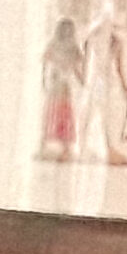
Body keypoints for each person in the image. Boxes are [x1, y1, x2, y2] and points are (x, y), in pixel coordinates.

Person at [38, 17, 86, 160]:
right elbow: (76, 67)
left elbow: (46, 63)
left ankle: (51, 145)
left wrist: (44, 79)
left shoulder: (57, 46)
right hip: (61, 86)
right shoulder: (65, 47)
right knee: (60, 115)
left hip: (59, 86)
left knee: (56, 114)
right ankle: (59, 146)